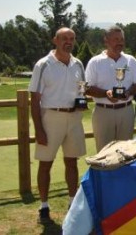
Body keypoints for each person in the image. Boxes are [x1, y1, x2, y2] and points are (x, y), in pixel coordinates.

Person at [29, 27, 86, 224]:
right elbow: (35, 99)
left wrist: (82, 101)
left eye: (72, 38)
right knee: (46, 164)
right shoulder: (43, 64)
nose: (68, 41)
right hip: (50, 118)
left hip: (74, 119)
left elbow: (81, 90)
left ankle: (72, 203)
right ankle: (44, 206)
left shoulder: (78, 64)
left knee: (72, 162)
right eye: (64, 38)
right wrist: (38, 129)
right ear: (55, 40)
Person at [85, 26, 136, 151]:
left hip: (126, 111)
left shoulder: (130, 60)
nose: (120, 42)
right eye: (116, 39)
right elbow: (87, 88)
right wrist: (106, 93)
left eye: (122, 39)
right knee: (103, 153)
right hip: (103, 112)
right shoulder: (95, 62)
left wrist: (129, 92)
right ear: (106, 41)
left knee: (125, 152)